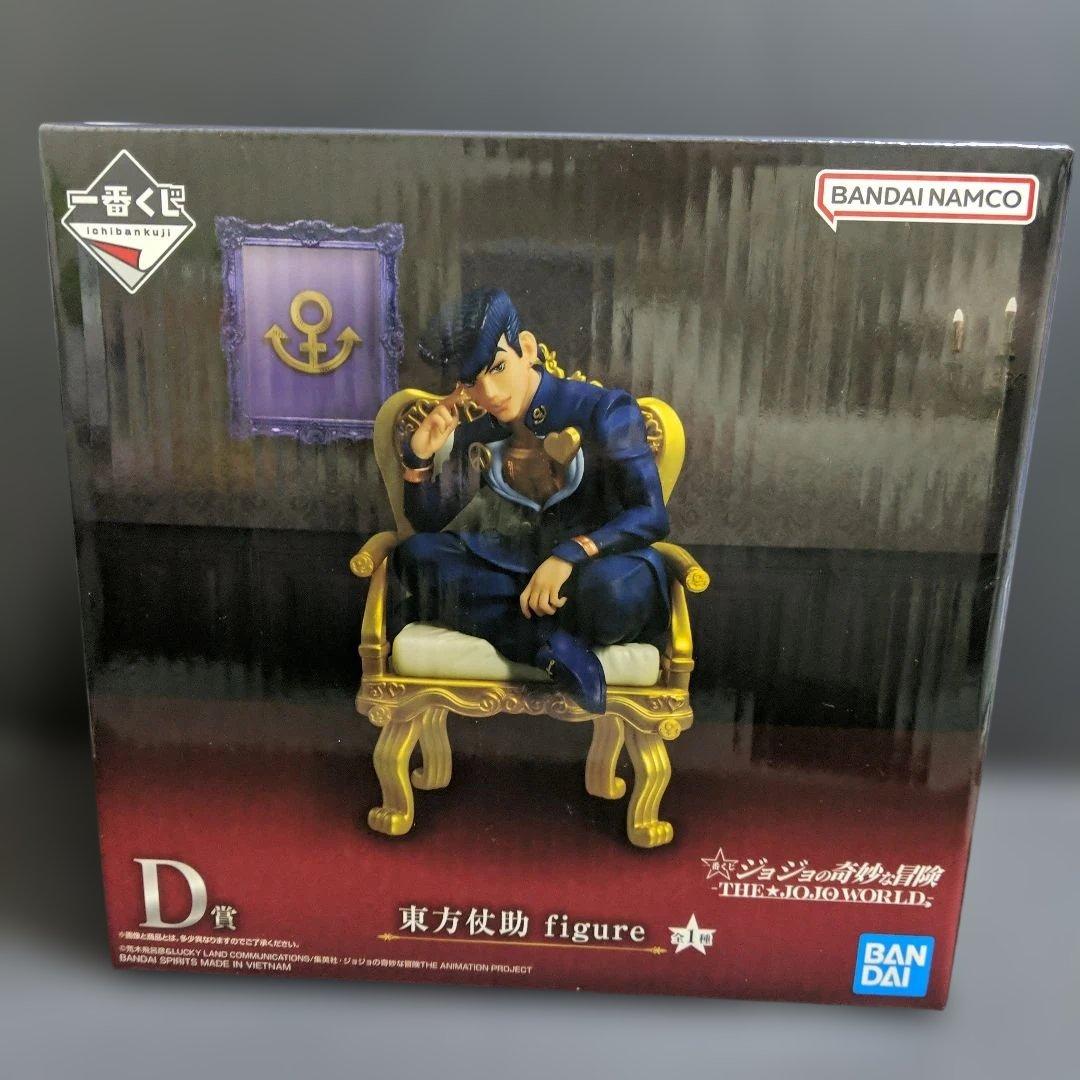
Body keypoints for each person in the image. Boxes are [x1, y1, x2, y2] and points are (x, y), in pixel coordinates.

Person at [391, 288, 670, 713]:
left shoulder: (605, 409)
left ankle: (493, 616)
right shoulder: (479, 431)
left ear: (526, 348)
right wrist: (419, 458)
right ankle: (548, 645)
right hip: (516, 569)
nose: (488, 392)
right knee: (414, 555)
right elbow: (430, 523)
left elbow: (651, 515)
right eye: (471, 382)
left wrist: (570, 554)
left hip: (597, 569)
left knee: (613, 594)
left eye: (498, 367)